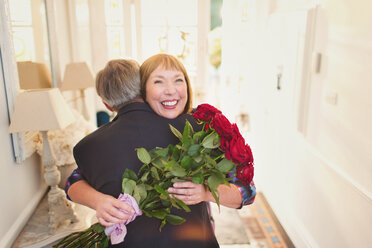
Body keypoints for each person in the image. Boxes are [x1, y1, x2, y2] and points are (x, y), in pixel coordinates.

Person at [66, 54, 256, 247]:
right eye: (158, 82)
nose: (170, 91)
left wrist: (205, 192)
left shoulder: (87, 147)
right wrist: (99, 201)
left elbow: (72, 181)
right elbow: (248, 191)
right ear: (142, 91)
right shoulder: (198, 127)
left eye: (178, 80)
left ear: (107, 104)